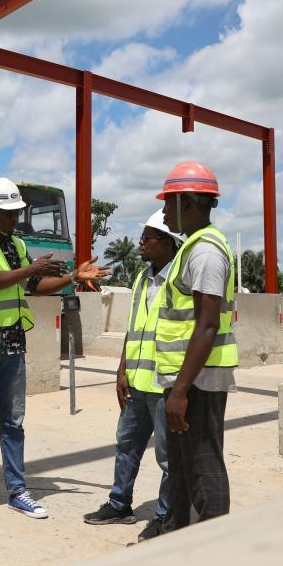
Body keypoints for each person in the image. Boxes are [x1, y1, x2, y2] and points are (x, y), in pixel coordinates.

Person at [0, 177, 109, 523]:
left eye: (16, 212)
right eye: (7, 213)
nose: (14, 219)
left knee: (13, 423)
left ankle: (17, 491)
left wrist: (72, 278)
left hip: (11, 346)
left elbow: (35, 285)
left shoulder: (17, 245)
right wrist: (31, 269)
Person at [83, 213, 183, 542]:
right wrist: (121, 369)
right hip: (138, 382)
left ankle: (164, 516)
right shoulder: (141, 278)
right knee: (126, 444)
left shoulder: (181, 279)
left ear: (167, 242)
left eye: (148, 237)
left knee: (168, 458)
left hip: (165, 383)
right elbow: (134, 328)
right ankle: (119, 503)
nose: (141, 243)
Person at [155, 161, 238, 531]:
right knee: (185, 466)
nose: (163, 211)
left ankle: (214, 548)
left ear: (187, 203)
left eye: (168, 202)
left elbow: (207, 325)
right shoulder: (193, 249)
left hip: (199, 383)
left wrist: (181, 391)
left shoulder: (205, 254)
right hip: (188, 380)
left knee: (205, 467)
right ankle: (180, 535)